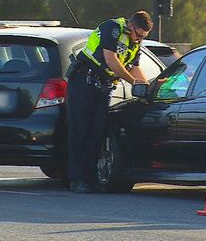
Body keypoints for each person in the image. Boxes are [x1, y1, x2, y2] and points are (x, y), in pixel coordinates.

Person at [65, 10, 153, 193]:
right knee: (80, 129)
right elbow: (111, 59)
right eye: (138, 35)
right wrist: (133, 82)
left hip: (103, 86)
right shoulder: (112, 28)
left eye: (143, 37)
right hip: (84, 81)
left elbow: (134, 66)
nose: (139, 39)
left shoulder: (135, 41)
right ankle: (76, 179)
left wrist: (146, 87)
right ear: (131, 25)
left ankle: (91, 178)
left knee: (97, 132)